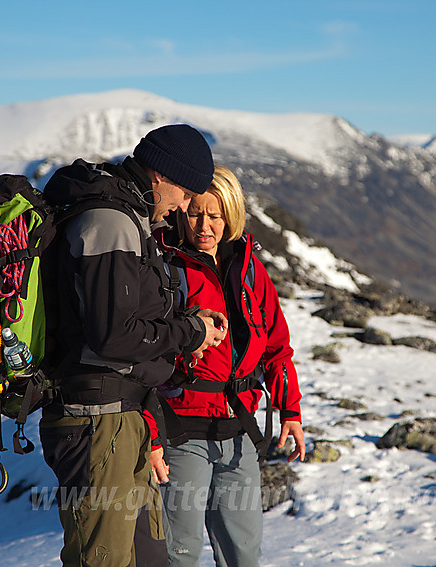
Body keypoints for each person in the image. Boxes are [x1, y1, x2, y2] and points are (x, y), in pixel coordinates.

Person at [38, 124, 228, 567]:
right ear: (160, 174)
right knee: (104, 559)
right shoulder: (110, 221)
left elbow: (125, 318)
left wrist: (185, 325)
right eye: (184, 193)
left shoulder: (131, 216)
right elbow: (114, 336)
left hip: (123, 418)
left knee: (148, 559)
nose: (185, 207)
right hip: (97, 422)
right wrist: (192, 334)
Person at [154, 165, 305, 567]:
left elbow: (276, 347)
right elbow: (141, 358)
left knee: (243, 554)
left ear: (231, 215)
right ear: (181, 211)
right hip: (180, 431)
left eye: (215, 215)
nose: (204, 225)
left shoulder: (249, 267)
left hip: (238, 432)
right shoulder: (162, 264)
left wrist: (290, 410)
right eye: (195, 213)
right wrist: (153, 437)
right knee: (178, 553)